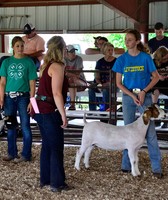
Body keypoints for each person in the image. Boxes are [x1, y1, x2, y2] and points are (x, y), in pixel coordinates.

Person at [112, 29, 163, 178]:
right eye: (126, 39)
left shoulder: (146, 58)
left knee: (150, 132)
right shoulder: (121, 59)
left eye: (129, 39)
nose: (126, 42)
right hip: (128, 98)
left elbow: (156, 77)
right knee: (127, 131)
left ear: (137, 41)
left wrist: (143, 91)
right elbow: (118, 83)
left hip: (144, 96)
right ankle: (126, 165)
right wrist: (132, 94)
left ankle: (157, 168)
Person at [33, 36, 71, 192]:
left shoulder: (45, 65)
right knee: (56, 146)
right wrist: (63, 114)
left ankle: (46, 179)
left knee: (47, 145)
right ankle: (57, 183)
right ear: (61, 49)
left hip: (39, 108)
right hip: (49, 110)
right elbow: (56, 93)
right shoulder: (58, 66)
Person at [0, 36, 37, 162]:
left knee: (25, 125)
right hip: (9, 96)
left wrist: (32, 101)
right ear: (13, 47)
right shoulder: (6, 62)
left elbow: (32, 83)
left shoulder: (29, 62)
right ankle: (12, 153)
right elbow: (2, 82)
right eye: (17, 46)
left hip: (24, 96)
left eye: (22, 45)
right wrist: (1, 98)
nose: (20, 48)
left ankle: (26, 154)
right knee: (10, 125)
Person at [148, 22, 168, 128]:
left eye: (160, 31)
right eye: (156, 32)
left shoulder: (167, 40)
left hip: (165, 79)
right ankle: (155, 112)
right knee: (155, 88)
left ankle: (165, 119)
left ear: (163, 30)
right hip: (157, 78)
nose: (158, 34)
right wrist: (158, 76)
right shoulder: (151, 42)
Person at [89, 42, 117, 111]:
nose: (111, 52)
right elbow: (97, 76)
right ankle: (92, 110)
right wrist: (100, 84)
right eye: (109, 50)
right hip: (101, 83)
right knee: (90, 88)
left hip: (112, 83)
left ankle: (106, 109)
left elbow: (117, 77)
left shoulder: (116, 61)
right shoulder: (100, 62)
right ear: (104, 51)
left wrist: (107, 84)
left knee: (106, 89)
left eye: (112, 50)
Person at [65, 44, 86, 110]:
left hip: (80, 82)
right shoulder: (63, 59)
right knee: (71, 81)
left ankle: (72, 104)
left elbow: (78, 73)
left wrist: (68, 74)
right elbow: (64, 73)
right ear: (67, 53)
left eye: (74, 52)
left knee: (72, 80)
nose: (73, 53)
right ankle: (72, 104)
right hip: (69, 83)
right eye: (71, 52)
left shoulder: (79, 59)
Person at [152, 46, 168, 112]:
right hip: (156, 82)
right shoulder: (153, 62)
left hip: (166, 81)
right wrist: (158, 77)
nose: (166, 60)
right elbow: (148, 75)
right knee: (155, 87)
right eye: (164, 59)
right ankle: (155, 106)